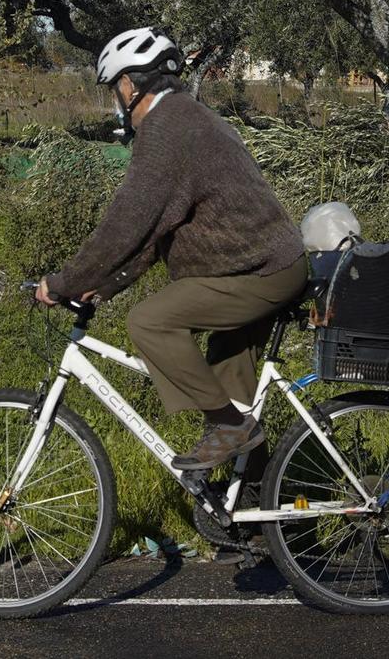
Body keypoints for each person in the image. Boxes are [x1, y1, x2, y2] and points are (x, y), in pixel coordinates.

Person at [37, 27, 308, 471]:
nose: (114, 100)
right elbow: (156, 231)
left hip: (260, 271)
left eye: (114, 89)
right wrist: (102, 285)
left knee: (150, 322)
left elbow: (129, 222)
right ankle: (253, 518)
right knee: (232, 394)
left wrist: (68, 281)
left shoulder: (167, 129)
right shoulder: (184, 115)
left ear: (130, 84)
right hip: (261, 265)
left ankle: (230, 428)